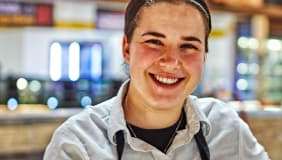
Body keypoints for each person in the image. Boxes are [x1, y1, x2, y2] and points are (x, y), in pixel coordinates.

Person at [44, 0, 269, 159]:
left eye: (189, 46)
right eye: (154, 42)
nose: (171, 61)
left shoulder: (227, 129)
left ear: (203, 57)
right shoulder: (77, 143)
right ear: (126, 48)